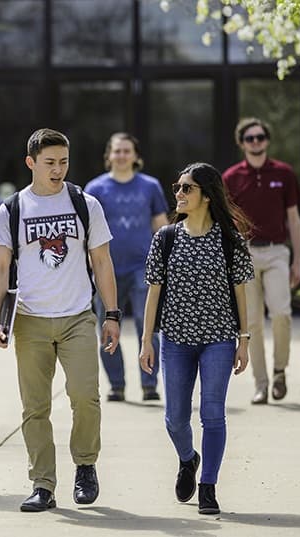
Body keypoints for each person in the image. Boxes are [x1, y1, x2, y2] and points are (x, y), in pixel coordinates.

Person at [0, 128, 120, 512]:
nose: (58, 170)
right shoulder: (12, 210)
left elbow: (101, 261)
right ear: (31, 163)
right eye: (49, 163)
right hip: (30, 320)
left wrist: (111, 314)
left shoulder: (85, 204)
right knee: (35, 407)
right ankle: (42, 485)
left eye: (63, 161)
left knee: (85, 395)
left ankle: (85, 465)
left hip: (78, 316)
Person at [140, 162, 253, 516]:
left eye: (186, 188)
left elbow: (240, 292)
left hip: (218, 339)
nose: (179, 194)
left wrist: (244, 339)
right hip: (175, 340)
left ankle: (208, 485)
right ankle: (188, 458)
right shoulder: (167, 237)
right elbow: (153, 292)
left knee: (213, 414)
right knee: (174, 418)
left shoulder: (229, 238)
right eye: (177, 187)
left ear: (206, 195)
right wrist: (147, 341)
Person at [222, 117, 300, 405]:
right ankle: (261, 384)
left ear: (267, 140)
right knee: (252, 321)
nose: (255, 142)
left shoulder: (284, 173)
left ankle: (280, 371)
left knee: (281, 313)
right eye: (249, 138)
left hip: (278, 250)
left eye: (259, 137)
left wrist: (298, 261)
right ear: (242, 143)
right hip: (245, 252)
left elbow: (294, 218)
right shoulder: (231, 177)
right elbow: (227, 221)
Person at [85, 132, 168, 402]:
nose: (121, 155)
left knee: (148, 327)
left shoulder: (150, 186)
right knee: (107, 328)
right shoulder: (95, 189)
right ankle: (117, 385)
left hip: (143, 268)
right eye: (117, 151)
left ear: (136, 156)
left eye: (126, 151)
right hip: (106, 269)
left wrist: (167, 262)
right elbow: (86, 232)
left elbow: (160, 225)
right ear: (109, 156)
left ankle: (149, 384)